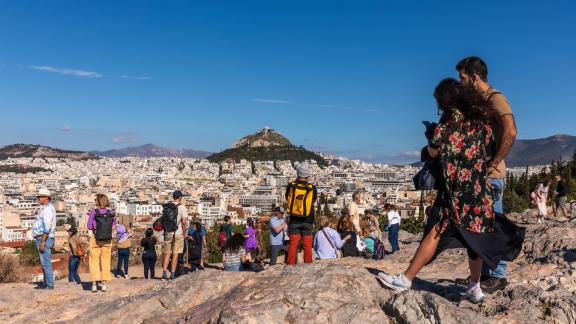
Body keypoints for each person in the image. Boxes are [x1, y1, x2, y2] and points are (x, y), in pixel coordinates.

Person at [379, 78, 523, 304]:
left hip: (455, 191)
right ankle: (475, 287)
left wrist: (431, 138)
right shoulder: (481, 124)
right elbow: (487, 149)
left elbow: (434, 152)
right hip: (478, 189)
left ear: (445, 101)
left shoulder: (446, 127)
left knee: (435, 232)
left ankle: (405, 279)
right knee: (474, 238)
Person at [457, 56, 517, 293]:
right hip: (480, 175)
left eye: (463, 78)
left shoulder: (496, 98)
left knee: (493, 224)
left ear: (474, 77)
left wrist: (495, 161)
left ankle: (499, 275)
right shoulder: (481, 102)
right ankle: (481, 275)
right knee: (479, 225)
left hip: (491, 176)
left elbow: (510, 131)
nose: (460, 83)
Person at [286, 163, 318, 265]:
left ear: (297, 174)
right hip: (308, 219)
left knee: (293, 243)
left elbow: (288, 197)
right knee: (307, 244)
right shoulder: (312, 187)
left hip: (294, 219)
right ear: (307, 175)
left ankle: (290, 265)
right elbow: (313, 200)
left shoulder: (291, 185)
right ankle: (308, 265)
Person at [87, 193, 116, 293]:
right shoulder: (111, 212)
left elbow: (89, 226)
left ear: (98, 202)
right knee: (106, 261)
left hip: (96, 238)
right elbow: (114, 224)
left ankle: (94, 285)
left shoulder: (93, 212)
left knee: (94, 261)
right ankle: (104, 284)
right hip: (107, 240)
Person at [32, 189, 56, 290]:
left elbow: (47, 226)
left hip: (44, 239)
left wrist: (42, 241)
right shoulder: (46, 208)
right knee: (44, 262)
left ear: (46, 198)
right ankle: (47, 283)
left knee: (46, 262)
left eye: (40, 197)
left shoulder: (48, 210)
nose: (38, 198)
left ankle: (49, 285)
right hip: (42, 238)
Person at [161, 190, 188, 282]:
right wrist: (184, 232)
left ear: (173, 197)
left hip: (168, 233)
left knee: (167, 254)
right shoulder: (182, 207)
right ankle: (172, 275)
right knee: (175, 255)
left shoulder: (167, 206)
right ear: (180, 197)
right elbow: (184, 222)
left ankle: (164, 275)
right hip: (178, 233)